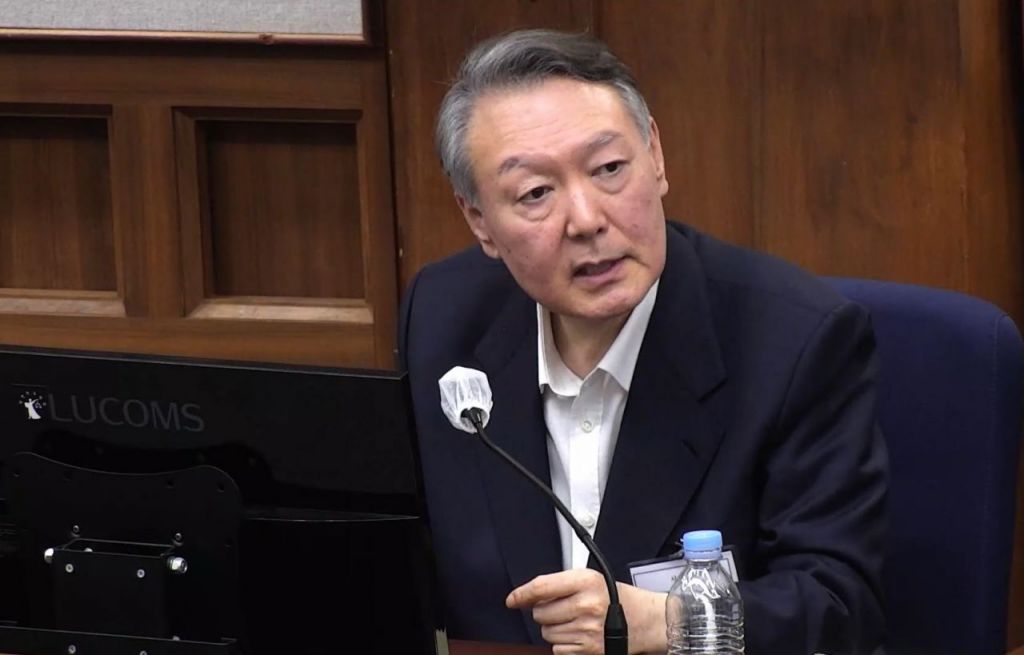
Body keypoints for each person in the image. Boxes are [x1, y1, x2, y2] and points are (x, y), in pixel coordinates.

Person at [399, 29, 887, 655]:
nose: (587, 220)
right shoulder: (441, 319)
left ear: (655, 156)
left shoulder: (795, 342)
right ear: (479, 221)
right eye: (536, 193)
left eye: (609, 169)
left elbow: (840, 605)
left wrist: (669, 622)